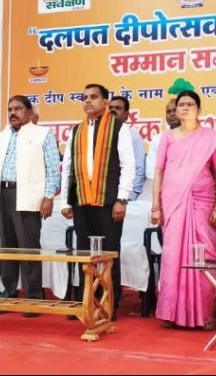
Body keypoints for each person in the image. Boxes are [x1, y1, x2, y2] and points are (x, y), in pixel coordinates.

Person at [151, 90, 216, 330]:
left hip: (203, 201)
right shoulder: (167, 138)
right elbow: (159, 172)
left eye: (190, 104)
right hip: (173, 202)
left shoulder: (210, 138)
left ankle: (203, 314)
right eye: (181, 104)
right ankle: (171, 313)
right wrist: (156, 206)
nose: (184, 108)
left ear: (199, 109)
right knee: (173, 255)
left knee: (204, 255)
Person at [61, 83, 136, 319]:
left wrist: (122, 199)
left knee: (108, 255)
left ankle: (109, 304)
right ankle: (87, 302)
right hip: (81, 202)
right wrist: (65, 201)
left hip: (109, 203)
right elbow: (68, 168)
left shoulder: (118, 128)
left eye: (93, 97)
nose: (88, 101)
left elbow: (128, 166)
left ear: (105, 102)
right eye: (84, 97)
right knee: (85, 255)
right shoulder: (77, 130)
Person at [0, 96, 60, 311]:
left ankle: (33, 297)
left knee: (28, 247)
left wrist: (48, 197)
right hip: (3, 194)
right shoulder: (2, 136)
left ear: (29, 112)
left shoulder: (43, 134)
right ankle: (8, 292)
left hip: (29, 196)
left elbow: (53, 169)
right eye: (10, 109)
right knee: (7, 247)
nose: (13, 113)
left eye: (18, 108)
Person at [109, 95, 146, 200]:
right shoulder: (100, 135)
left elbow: (139, 167)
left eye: (118, 108)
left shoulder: (133, 137)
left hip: (125, 195)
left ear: (126, 115)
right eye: (110, 108)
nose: (113, 110)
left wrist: (133, 194)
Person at [145, 98, 179, 181]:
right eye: (168, 112)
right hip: (162, 185)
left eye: (175, 110)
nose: (172, 114)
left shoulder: (193, 138)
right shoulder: (158, 139)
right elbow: (151, 170)